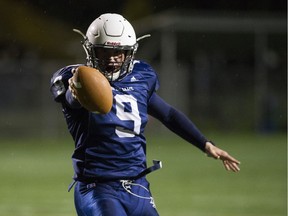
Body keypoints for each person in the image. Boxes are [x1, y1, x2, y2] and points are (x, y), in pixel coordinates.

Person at [50, 13, 240, 216]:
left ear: (130, 52)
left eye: (119, 52)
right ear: (91, 51)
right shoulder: (76, 80)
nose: (112, 59)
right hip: (98, 187)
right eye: (105, 52)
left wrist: (205, 143)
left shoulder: (141, 77)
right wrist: (78, 89)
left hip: (137, 184)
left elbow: (168, 115)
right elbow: (72, 101)